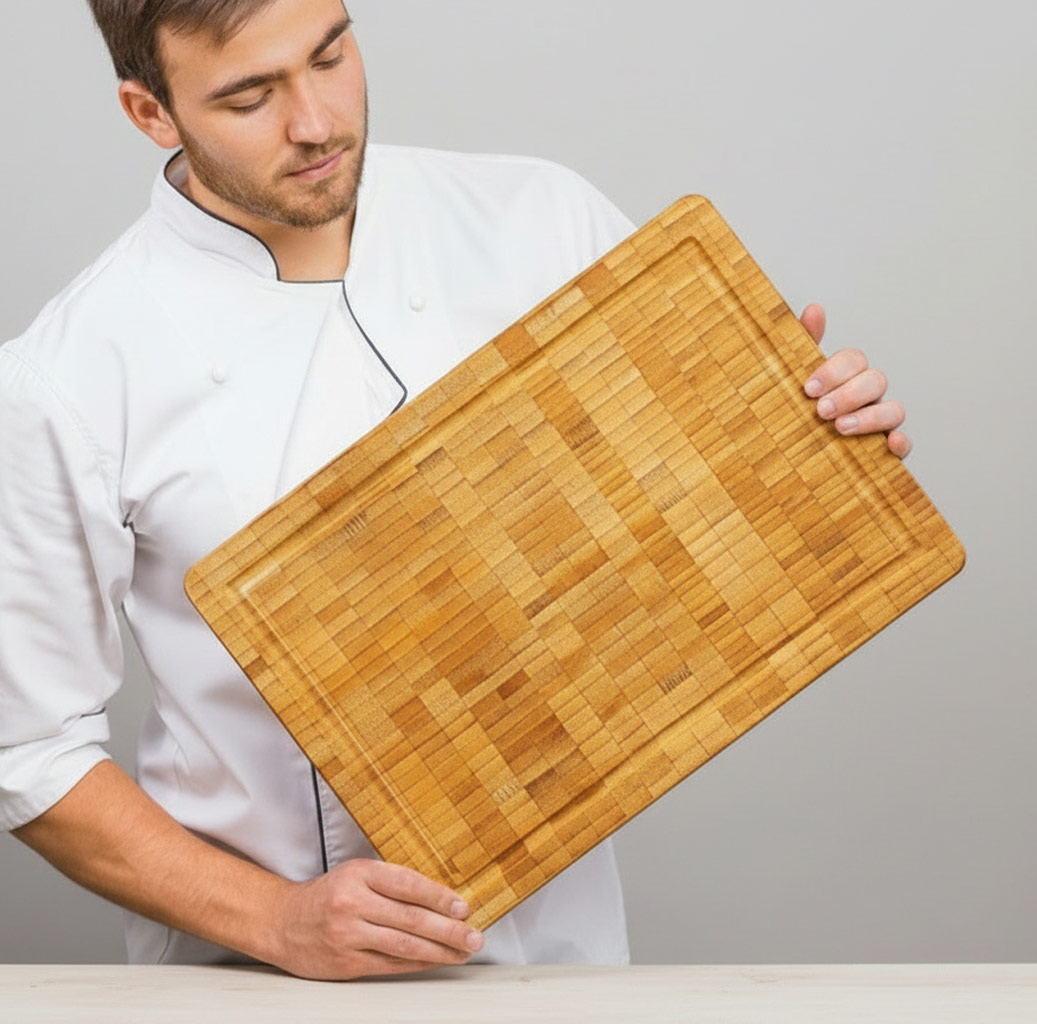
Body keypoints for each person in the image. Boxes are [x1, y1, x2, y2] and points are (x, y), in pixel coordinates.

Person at [0, 0, 911, 981]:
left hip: (559, 961)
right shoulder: (69, 373)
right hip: (256, 978)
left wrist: (810, 432)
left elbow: (686, 520)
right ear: (151, 113)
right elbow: (29, 747)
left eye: (329, 55)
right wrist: (277, 919)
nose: (315, 122)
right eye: (250, 97)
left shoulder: (538, 218)